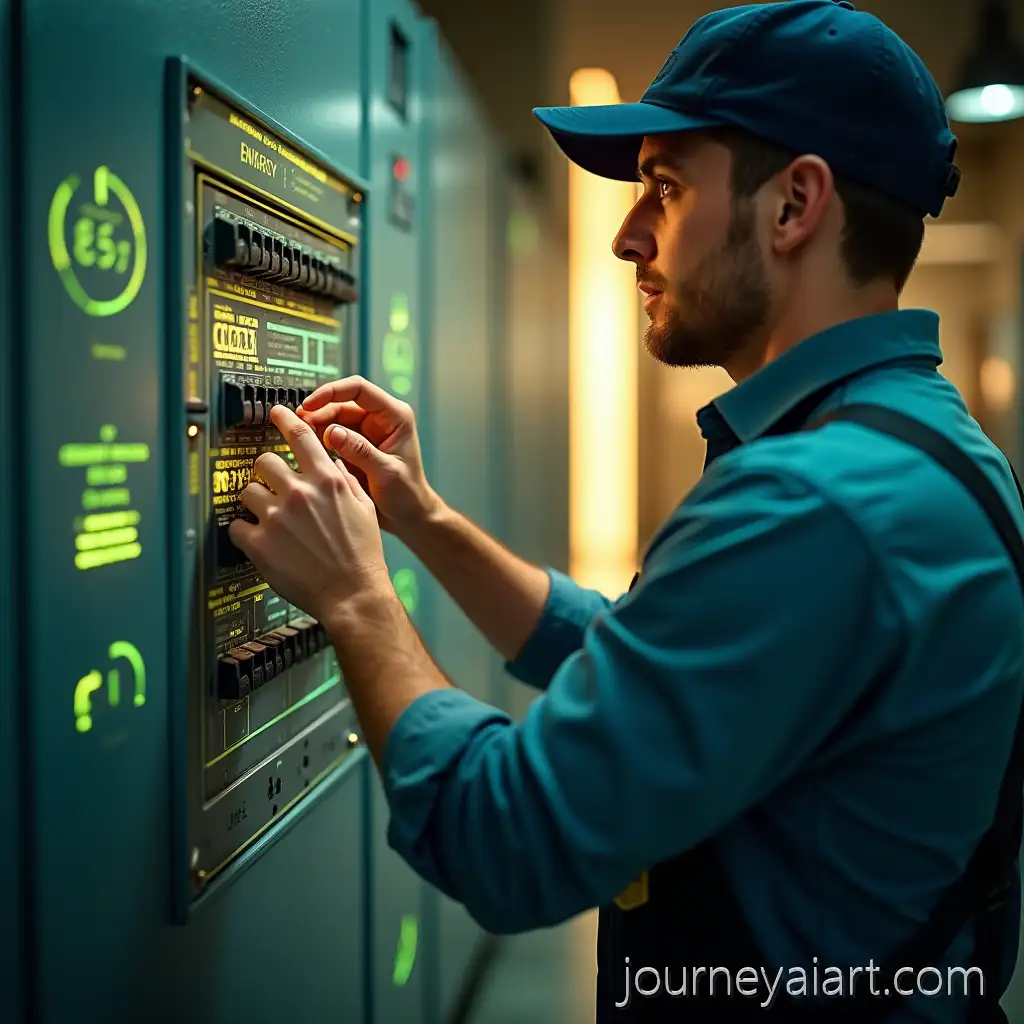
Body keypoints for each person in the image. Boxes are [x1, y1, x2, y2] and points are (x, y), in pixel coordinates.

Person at [226, 0, 1024, 1019]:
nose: (624, 236)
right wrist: (421, 518)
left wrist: (355, 596)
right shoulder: (920, 442)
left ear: (793, 205)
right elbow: (671, 659)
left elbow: (503, 838)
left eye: (666, 187)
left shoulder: (810, 503)